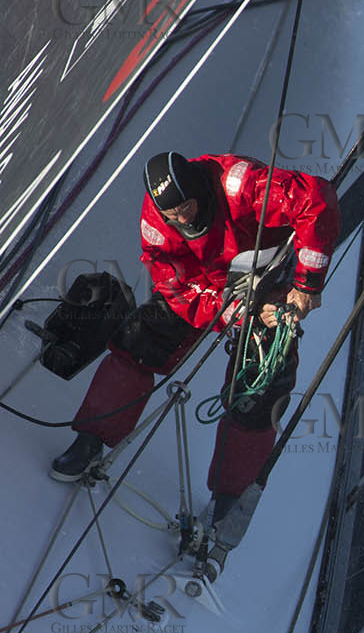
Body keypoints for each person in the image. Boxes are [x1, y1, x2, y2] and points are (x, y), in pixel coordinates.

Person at [50, 151, 341, 574]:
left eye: (186, 206)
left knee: (258, 392)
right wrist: (231, 311)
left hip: (272, 287)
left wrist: (306, 284)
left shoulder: (243, 187)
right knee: (137, 342)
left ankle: (228, 501)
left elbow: (317, 199)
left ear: (200, 188)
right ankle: (92, 439)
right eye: (172, 212)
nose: (182, 217)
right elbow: (172, 285)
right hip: (206, 293)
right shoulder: (157, 222)